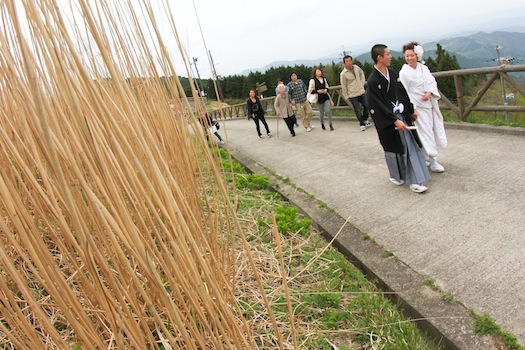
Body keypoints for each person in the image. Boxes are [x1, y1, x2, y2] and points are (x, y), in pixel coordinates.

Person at [366, 44, 430, 193]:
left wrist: (410, 109)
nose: (391, 56)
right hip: (389, 120)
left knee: (409, 146)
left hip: (400, 116)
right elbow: (377, 105)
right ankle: (411, 181)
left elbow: (402, 93)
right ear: (380, 58)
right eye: (388, 54)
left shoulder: (392, 73)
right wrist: (394, 120)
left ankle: (413, 179)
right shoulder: (373, 81)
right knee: (397, 149)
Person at [399, 42, 447, 173]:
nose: (409, 58)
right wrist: (411, 109)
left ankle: (427, 157)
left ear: (417, 55)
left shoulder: (423, 68)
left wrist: (429, 92)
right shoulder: (404, 72)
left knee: (429, 130)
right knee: (424, 132)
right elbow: (404, 92)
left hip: (428, 104)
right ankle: (432, 160)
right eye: (407, 56)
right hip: (416, 105)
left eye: (412, 55)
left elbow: (431, 82)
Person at [340, 55, 371, 132]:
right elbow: (343, 85)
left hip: (361, 91)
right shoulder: (343, 74)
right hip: (352, 94)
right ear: (344, 63)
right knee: (357, 110)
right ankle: (362, 124)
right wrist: (346, 96)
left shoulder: (356, 68)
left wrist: (362, 82)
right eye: (347, 61)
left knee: (367, 105)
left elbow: (361, 74)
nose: (349, 62)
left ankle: (365, 119)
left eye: (350, 60)